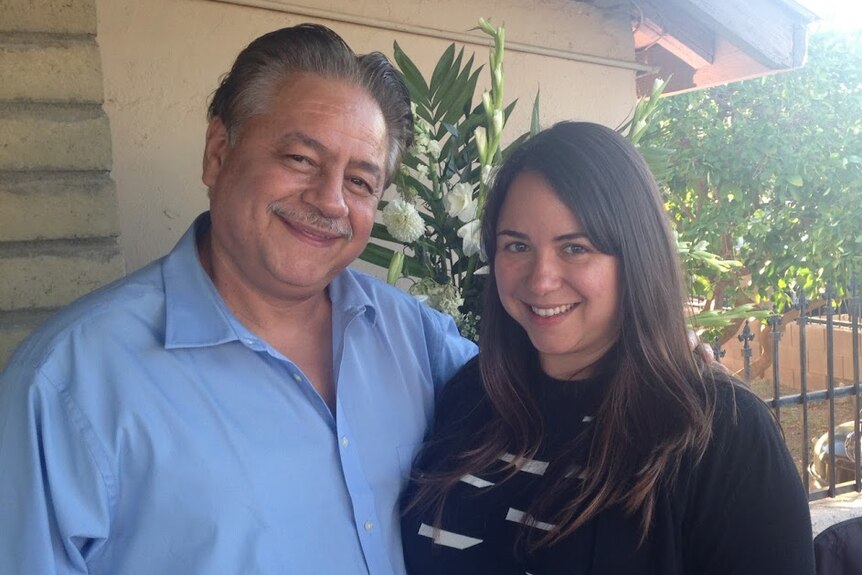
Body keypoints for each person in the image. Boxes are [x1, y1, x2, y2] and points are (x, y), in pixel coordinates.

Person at [0, 24, 476, 574]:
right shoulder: (66, 384)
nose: (330, 201)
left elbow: (548, 413)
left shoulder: (414, 338)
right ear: (218, 153)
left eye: (361, 182)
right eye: (300, 158)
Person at [401, 122, 815, 574]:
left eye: (575, 248)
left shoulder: (719, 435)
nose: (540, 279)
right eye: (516, 245)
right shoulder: (469, 396)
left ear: (636, 256)